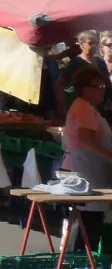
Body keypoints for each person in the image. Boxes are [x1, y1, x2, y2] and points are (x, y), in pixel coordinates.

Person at [62, 67, 112, 236]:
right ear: (85, 89)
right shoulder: (83, 108)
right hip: (86, 172)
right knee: (88, 223)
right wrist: (110, 156)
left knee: (91, 222)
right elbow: (86, 138)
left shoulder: (88, 108)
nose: (102, 90)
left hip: (92, 172)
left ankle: (85, 251)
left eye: (103, 86)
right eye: (98, 86)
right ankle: (83, 253)